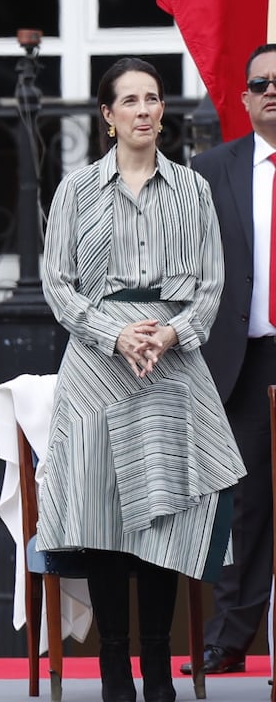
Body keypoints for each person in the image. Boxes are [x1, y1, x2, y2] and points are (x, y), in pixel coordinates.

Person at [40, 57, 245, 702]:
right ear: (107, 115)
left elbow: (212, 286)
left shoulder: (192, 189)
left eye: (152, 98)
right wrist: (112, 332)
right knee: (102, 518)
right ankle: (113, 674)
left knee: (164, 520)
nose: (143, 110)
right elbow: (57, 283)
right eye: (129, 100)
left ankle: (158, 672)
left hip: (170, 367)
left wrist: (169, 332)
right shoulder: (76, 189)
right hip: (97, 369)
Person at [186, 42, 276, 677]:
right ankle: (230, 641)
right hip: (246, 360)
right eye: (262, 83)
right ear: (244, 98)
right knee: (243, 506)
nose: (273, 90)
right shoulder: (212, 169)